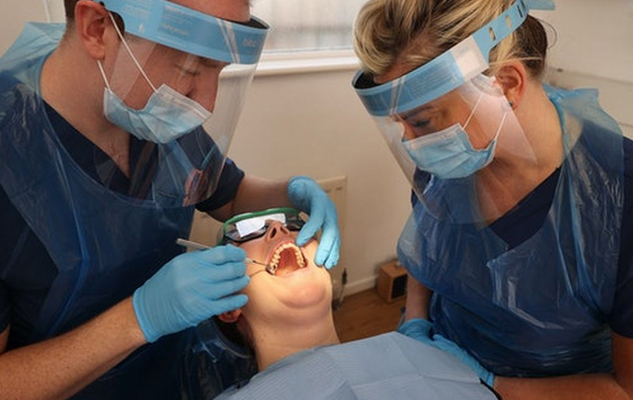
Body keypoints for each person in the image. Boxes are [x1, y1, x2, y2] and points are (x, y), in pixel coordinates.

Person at [0, 0, 340, 399]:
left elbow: (227, 195)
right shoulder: (13, 155)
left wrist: (293, 190)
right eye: (190, 69)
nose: (206, 103)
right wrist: (136, 319)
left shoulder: (149, 111)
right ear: (97, 28)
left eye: (219, 70)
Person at [352, 0, 633, 398]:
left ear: (506, 83)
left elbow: (626, 389)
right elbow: (428, 245)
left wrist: (491, 385)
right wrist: (415, 322)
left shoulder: (617, 198)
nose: (412, 144)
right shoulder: (448, 158)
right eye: (402, 123)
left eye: (421, 121)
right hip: (438, 362)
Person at [202, 207, 500, 400]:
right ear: (229, 306)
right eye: (245, 234)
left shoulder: (426, 357)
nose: (280, 230)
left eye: (292, 224)